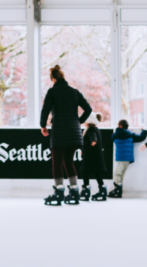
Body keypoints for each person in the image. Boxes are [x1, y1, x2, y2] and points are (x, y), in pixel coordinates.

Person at [40, 65, 93, 206]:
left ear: (53, 79)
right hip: (74, 132)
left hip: (59, 131)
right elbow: (88, 109)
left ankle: (59, 192)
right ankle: (75, 192)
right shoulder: (74, 92)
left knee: (57, 162)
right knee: (69, 162)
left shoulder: (52, 92)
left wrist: (43, 126)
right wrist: (78, 122)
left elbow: (45, 110)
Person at [108, 119, 147, 199]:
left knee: (117, 174)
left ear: (120, 126)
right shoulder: (130, 134)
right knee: (121, 174)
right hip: (128, 158)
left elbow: (112, 138)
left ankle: (117, 190)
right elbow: (141, 138)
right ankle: (118, 190)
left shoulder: (115, 134)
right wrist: (144, 130)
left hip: (121, 157)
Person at [80, 114, 107, 202]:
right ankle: (102, 189)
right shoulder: (96, 129)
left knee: (84, 171)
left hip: (90, 156)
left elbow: (93, 138)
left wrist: (93, 141)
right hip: (95, 156)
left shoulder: (91, 129)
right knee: (96, 172)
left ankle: (86, 189)